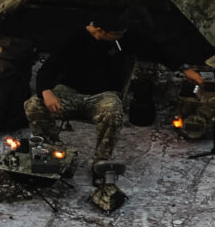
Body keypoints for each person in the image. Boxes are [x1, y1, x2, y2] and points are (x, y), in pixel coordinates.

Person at [26, 14, 139, 164]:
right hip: (69, 91)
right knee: (34, 105)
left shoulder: (120, 41)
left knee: (112, 111)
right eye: (116, 34)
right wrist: (46, 92)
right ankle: (51, 149)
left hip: (103, 95)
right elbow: (47, 69)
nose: (120, 37)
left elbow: (152, 48)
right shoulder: (73, 39)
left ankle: (101, 162)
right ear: (100, 30)